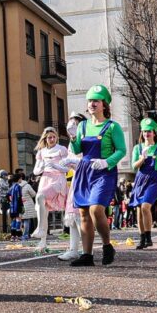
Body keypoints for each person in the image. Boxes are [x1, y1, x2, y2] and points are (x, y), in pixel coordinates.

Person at [68, 84, 126, 267]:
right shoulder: (82, 126)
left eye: (96, 100)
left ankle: (107, 245)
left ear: (104, 105)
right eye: (90, 100)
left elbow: (122, 150)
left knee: (95, 209)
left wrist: (107, 162)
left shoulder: (112, 127)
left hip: (104, 172)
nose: (92, 104)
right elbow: (77, 149)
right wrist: (71, 137)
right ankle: (87, 254)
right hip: (85, 171)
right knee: (83, 212)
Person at [129, 117, 157, 249]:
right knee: (138, 209)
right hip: (140, 179)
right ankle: (142, 238)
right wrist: (142, 158)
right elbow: (133, 166)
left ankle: (148, 236)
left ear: (154, 133)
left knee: (145, 207)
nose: (147, 134)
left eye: (149, 131)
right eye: (144, 131)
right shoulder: (137, 148)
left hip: (154, 180)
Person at [31, 127, 70, 252]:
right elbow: (35, 171)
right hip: (45, 179)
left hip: (58, 179)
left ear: (57, 137)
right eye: (49, 137)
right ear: (45, 139)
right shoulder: (41, 152)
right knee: (44, 210)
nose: (52, 139)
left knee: (39, 196)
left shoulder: (62, 149)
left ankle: (40, 228)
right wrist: (42, 167)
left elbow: (67, 169)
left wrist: (55, 165)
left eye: (54, 137)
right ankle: (43, 242)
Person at [56, 113, 85, 262]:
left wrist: (71, 161)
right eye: (70, 124)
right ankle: (73, 248)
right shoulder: (71, 143)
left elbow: (85, 160)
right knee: (73, 217)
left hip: (86, 179)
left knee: (82, 217)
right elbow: (71, 164)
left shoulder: (87, 138)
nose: (72, 126)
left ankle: (87, 250)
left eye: (75, 124)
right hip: (75, 179)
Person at [0, 169, 10, 235]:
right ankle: (1, 210)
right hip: (0, 197)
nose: (7, 177)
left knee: (6, 209)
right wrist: (8, 180)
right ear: (3, 176)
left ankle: (3, 211)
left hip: (4, 197)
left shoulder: (3, 180)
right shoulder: (0, 180)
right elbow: (6, 187)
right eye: (6, 176)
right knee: (3, 210)